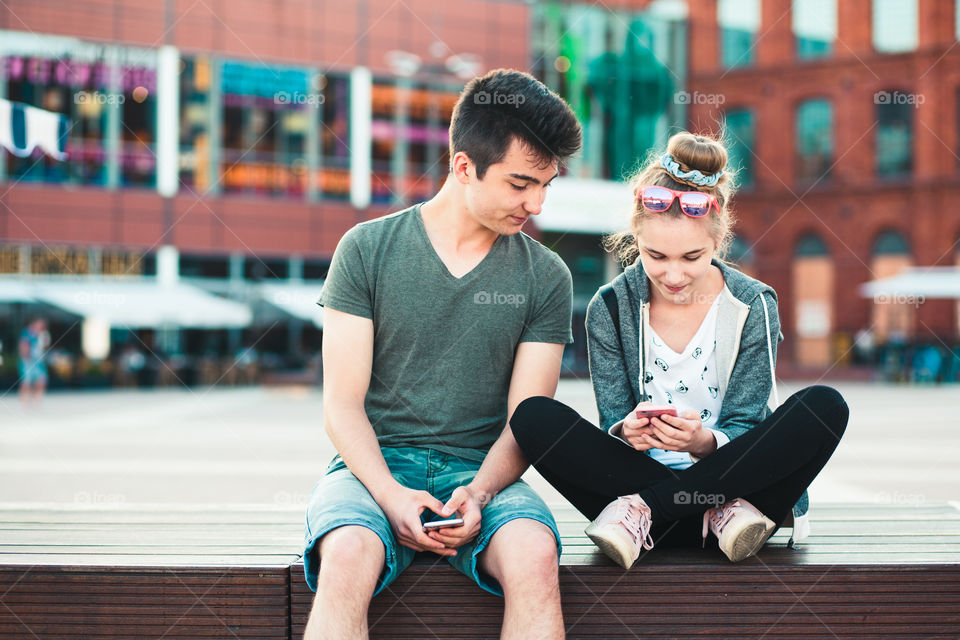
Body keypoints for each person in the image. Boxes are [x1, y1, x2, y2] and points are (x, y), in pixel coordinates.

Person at [302, 69, 582, 639]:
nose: (536, 203)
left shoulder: (546, 275)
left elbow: (527, 420)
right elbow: (342, 406)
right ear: (463, 166)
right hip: (372, 469)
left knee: (534, 554)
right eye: (521, 184)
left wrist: (478, 493)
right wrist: (391, 496)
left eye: (546, 185)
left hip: (484, 473)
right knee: (347, 553)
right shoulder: (366, 249)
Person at [510, 132, 849, 569]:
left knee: (824, 407)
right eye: (656, 256)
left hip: (729, 490)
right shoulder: (609, 308)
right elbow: (613, 420)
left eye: (691, 257)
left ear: (718, 237)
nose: (673, 276)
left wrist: (703, 442)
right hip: (664, 488)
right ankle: (701, 517)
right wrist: (626, 432)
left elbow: (747, 421)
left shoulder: (753, 304)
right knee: (533, 417)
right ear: (635, 236)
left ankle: (653, 511)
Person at [18, 317, 50, 405]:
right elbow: (23, 345)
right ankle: (24, 400)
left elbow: (44, 347)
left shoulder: (42, 334)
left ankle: (36, 399)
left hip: (39, 361)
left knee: (42, 379)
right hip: (28, 361)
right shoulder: (27, 332)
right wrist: (26, 357)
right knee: (27, 381)